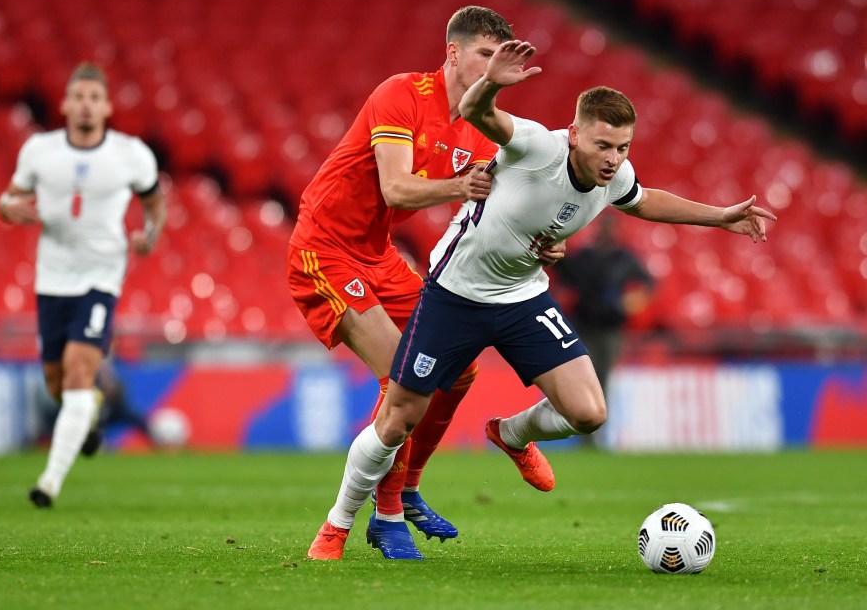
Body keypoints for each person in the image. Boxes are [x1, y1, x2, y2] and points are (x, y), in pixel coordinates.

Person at [310, 39, 777, 558]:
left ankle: (510, 434)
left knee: (589, 412)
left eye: (623, 147)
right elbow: (475, 111)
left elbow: (645, 201)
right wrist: (493, 80)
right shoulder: (534, 145)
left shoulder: (614, 175)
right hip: (455, 294)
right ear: (575, 133)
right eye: (603, 145)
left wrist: (721, 216)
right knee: (398, 418)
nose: (613, 159)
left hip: (522, 298)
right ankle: (336, 525)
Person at [290, 6, 558, 560]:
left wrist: (542, 241)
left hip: (379, 255)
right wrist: (463, 186)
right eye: (486, 54)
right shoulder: (402, 94)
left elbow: (505, 209)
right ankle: (371, 521)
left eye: (501, 56)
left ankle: (407, 489)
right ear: (455, 53)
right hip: (324, 247)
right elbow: (395, 190)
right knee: (401, 378)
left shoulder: (484, 132)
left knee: (456, 368)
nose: (494, 65)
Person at [0, 62, 166, 508]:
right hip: (52, 276)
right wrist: (6, 206)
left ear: (107, 106)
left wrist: (149, 235)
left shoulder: (130, 153)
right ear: (65, 104)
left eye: (95, 97)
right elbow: (10, 196)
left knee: (76, 370)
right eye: (79, 97)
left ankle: (49, 482)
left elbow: (154, 200)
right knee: (57, 383)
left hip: (101, 274)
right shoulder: (40, 150)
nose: (87, 105)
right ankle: (86, 411)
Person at [554, 212, 655, 433]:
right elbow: (563, 272)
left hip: (611, 329)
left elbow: (647, 282)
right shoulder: (585, 257)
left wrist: (632, 302)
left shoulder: (623, 258)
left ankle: (597, 430)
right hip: (584, 326)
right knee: (587, 378)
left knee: (603, 377)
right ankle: (587, 431)